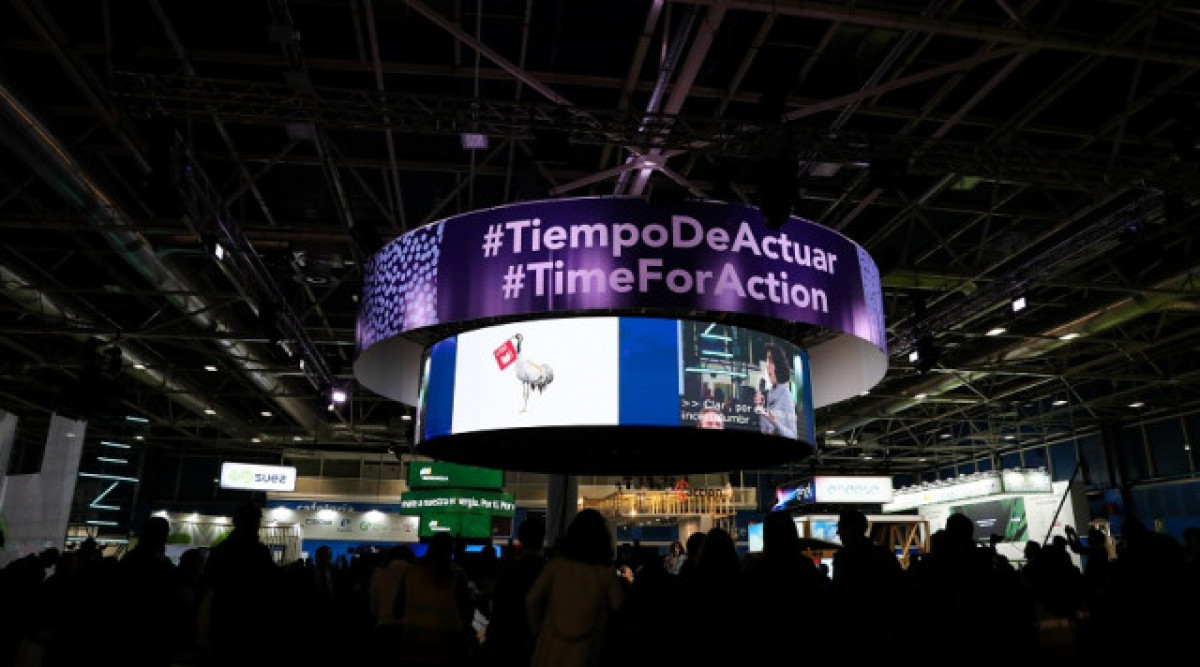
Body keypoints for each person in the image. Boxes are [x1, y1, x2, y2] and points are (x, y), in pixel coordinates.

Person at [526, 508, 625, 667]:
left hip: (550, 649)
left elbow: (531, 600)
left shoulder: (556, 566)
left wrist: (537, 630)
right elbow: (619, 607)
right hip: (586, 651)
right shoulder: (606, 573)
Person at [391, 532, 477, 667]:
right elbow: (466, 613)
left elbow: (397, 611)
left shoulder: (410, 573)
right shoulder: (456, 576)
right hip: (446, 650)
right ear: (450, 550)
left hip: (412, 649)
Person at [482, 516, 547, 667]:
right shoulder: (548, 572)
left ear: (521, 540)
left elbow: (497, 608)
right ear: (542, 539)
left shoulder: (507, 571)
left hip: (505, 644)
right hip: (534, 646)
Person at [755, 342, 798, 438]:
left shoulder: (786, 396)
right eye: (767, 361)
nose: (767, 366)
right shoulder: (770, 394)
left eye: (770, 361)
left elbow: (793, 435)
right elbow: (764, 430)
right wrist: (761, 408)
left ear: (778, 365)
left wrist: (775, 423)